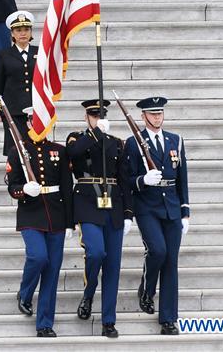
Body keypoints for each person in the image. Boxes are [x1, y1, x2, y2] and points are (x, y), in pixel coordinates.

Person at [66, 99, 134, 339]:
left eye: (101, 115)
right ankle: (89, 291)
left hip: (113, 206)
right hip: (86, 203)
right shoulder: (77, 138)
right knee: (95, 252)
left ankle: (108, 320)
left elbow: (124, 180)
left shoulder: (117, 143)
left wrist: (128, 213)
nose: (97, 118)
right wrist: (96, 133)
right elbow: (72, 154)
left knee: (113, 266)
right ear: (87, 117)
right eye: (93, 115)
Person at [6, 107, 74, 338]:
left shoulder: (59, 151)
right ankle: (25, 294)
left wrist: (70, 222)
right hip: (30, 214)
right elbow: (11, 186)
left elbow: (67, 188)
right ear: (27, 124)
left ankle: (44, 323)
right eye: (35, 122)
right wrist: (23, 190)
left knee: (52, 271)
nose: (39, 127)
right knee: (38, 256)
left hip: (56, 215)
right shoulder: (18, 151)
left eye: (43, 122)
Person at [124, 96, 190, 336]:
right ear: (143, 117)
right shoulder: (132, 143)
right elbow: (126, 180)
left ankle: (168, 319)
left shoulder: (176, 140)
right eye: (152, 114)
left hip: (171, 206)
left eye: (159, 113)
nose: (157, 117)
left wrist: (185, 211)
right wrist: (142, 180)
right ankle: (146, 289)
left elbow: (182, 177)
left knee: (171, 261)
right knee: (158, 251)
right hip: (147, 207)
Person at [0, 10, 37, 155]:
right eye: (18, 30)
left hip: (36, 108)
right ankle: (14, 176)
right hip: (13, 109)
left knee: (36, 146)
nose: (22, 33)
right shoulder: (3, 55)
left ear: (30, 32)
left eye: (26, 29)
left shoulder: (41, 52)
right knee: (14, 147)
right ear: (12, 34)